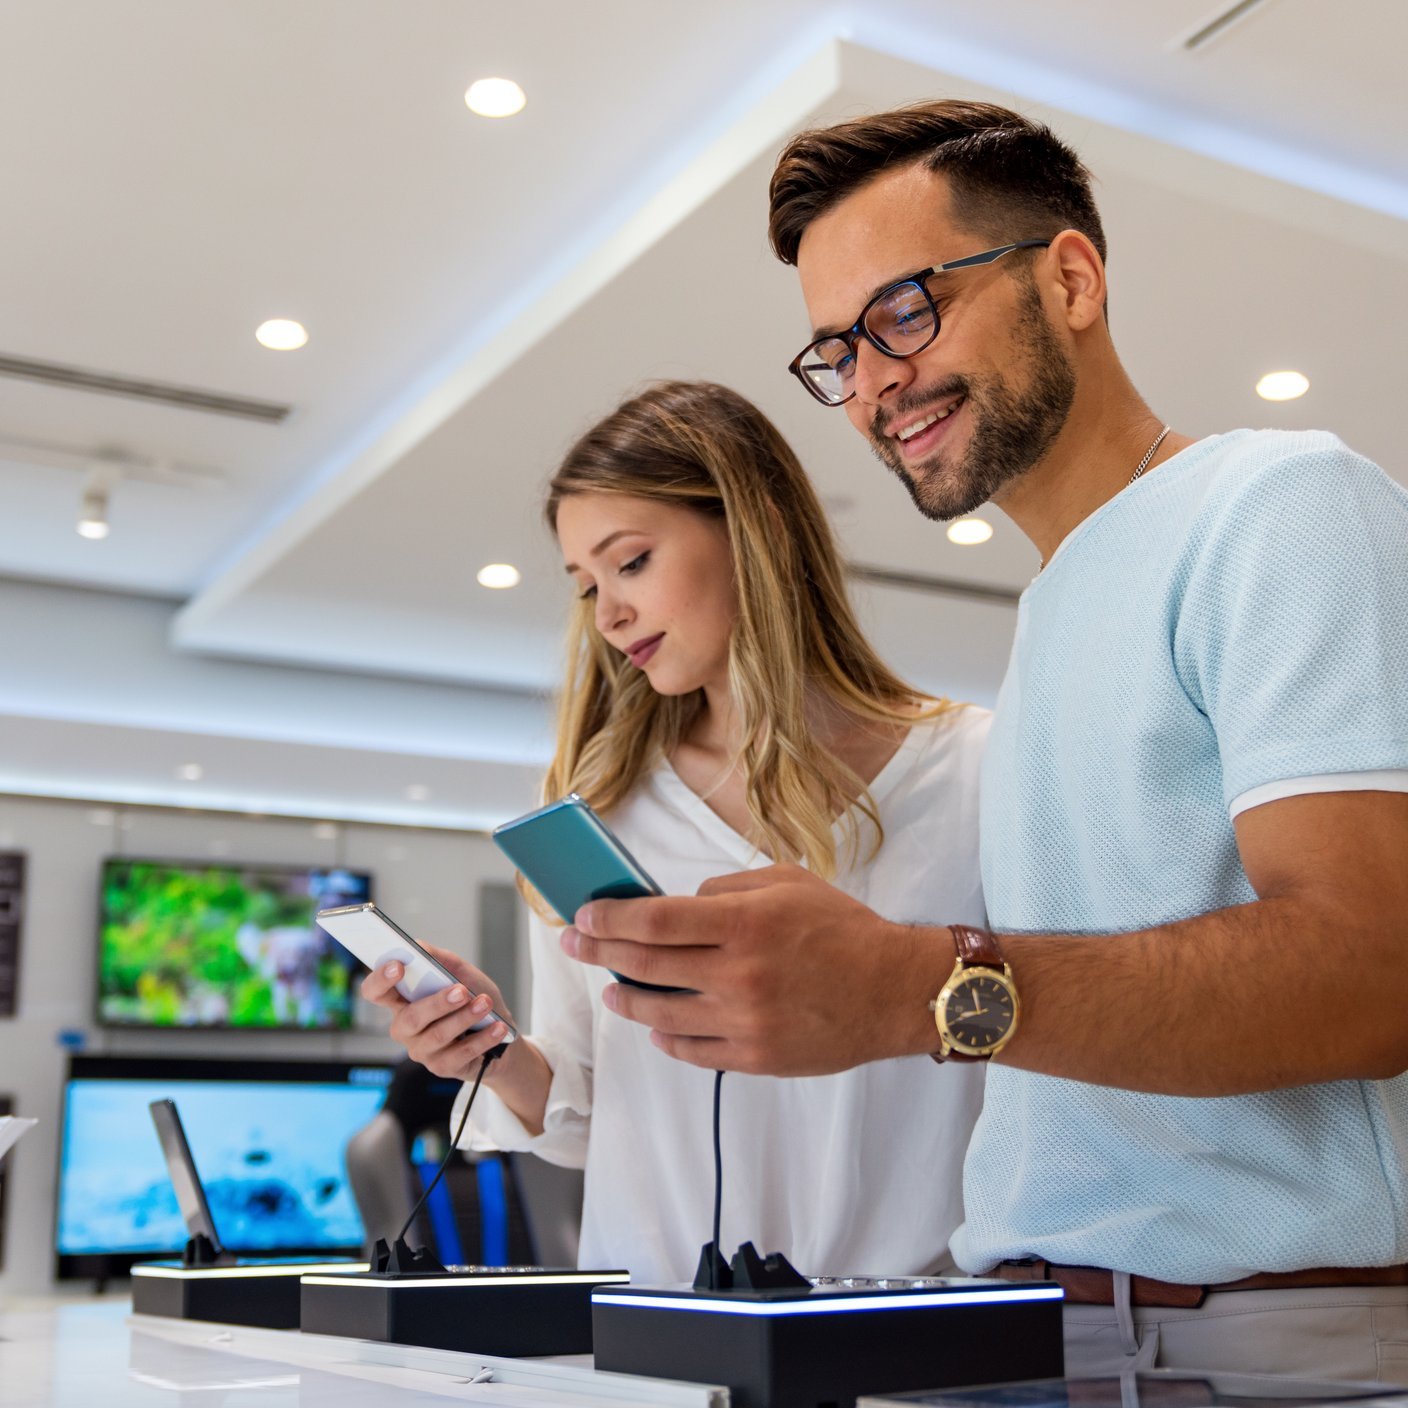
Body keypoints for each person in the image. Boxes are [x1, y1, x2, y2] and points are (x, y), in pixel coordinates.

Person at [558, 104, 1408, 1380]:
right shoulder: (1055, 606)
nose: (873, 381)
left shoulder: (1277, 505)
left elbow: (1375, 963)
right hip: (1048, 1329)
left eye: (904, 312)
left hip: (1245, 1342)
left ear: (1069, 277)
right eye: (836, 351)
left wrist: (910, 986)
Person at [362, 379, 989, 1284]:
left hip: (916, 1327)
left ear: (753, 525)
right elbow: (576, 1112)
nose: (608, 613)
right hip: (660, 1327)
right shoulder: (601, 812)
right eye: (586, 587)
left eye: (631, 562)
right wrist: (491, 1052)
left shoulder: (972, 770)